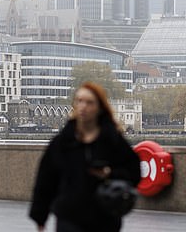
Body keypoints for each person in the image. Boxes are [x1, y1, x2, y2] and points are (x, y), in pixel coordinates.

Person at [29, 82, 141, 232]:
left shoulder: (112, 141)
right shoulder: (63, 142)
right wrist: (40, 216)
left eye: (89, 102)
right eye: (79, 101)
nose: (83, 106)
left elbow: (134, 171)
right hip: (69, 216)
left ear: (100, 107)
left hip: (104, 216)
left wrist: (110, 173)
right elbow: (46, 179)